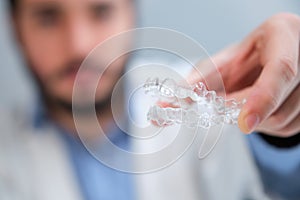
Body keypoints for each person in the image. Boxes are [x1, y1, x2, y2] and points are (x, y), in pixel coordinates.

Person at [0, 0, 299, 199]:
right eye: (48, 18)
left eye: (101, 11)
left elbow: (286, 179)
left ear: (131, 13)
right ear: (16, 28)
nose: (79, 45)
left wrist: (283, 120)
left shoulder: (206, 97)